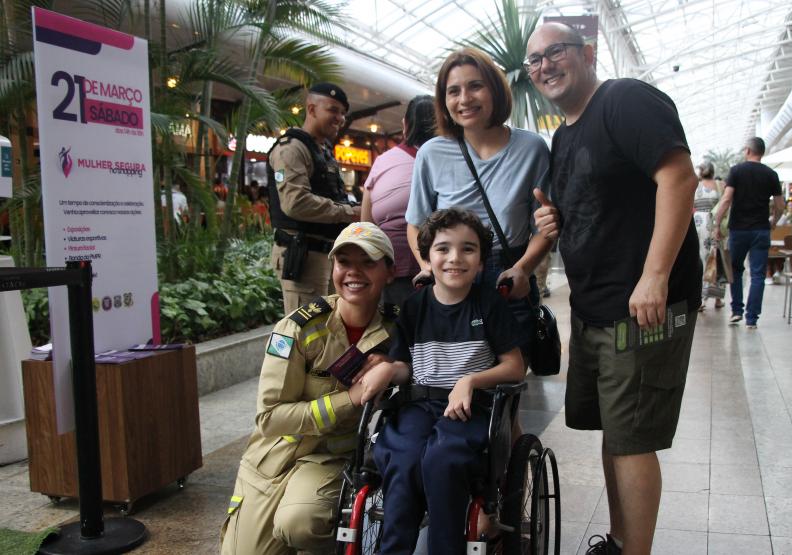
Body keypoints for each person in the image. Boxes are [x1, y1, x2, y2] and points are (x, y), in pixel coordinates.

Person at [527, 22, 701, 555]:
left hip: (642, 308)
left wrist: (655, 276)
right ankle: (620, 540)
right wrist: (554, 217)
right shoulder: (565, 133)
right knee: (614, 432)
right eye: (533, 61)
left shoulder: (625, 99)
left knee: (632, 441)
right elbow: (594, 201)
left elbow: (679, 178)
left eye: (554, 52)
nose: (543, 66)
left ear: (586, 52)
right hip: (594, 308)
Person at [220, 222, 398, 555]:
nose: (353, 272)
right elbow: (270, 417)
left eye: (368, 262)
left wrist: (396, 367)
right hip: (272, 459)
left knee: (300, 523)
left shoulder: (398, 328)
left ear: (390, 271)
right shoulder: (295, 328)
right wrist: (351, 398)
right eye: (344, 262)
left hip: (328, 458)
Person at [357, 208, 525, 553]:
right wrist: (389, 369)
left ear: (480, 262)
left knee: (443, 457)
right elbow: (405, 365)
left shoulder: (488, 305)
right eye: (443, 249)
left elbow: (514, 367)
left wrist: (471, 380)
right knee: (402, 457)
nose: (454, 258)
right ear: (428, 258)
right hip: (420, 403)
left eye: (468, 249)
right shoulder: (415, 306)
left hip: (471, 408)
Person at [405, 47, 551, 361]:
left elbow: (544, 228)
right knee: (453, 379)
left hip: (506, 276)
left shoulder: (532, 149)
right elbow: (415, 224)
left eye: (475, 86)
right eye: (453, 91)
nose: (464, 99)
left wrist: (523, 268)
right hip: (450, 276)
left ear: (495, 90)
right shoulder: (431, 153)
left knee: (508, 384)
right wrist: (429, 266)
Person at [267, 83, 360, 313]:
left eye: (342, 113)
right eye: (333, 110)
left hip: (326, 255)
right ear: (311, 109)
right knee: (305, 334)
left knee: (328, 331)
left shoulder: (322, 151)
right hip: (304, 258)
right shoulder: (291, 149)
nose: (340, 118)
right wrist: (350, 212)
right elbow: (295, 203)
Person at [361, 95, 436, 307]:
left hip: (392, 267)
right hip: (442, 267)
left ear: (405, 124)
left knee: (395, 333)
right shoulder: (450, 158)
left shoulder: (382, 162)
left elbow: (366, 223)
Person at [714, 137, 785, 328]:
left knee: (736, 270)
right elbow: (780, 205)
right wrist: (774, 221)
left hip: (738, 230)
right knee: (758, 274)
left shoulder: (736, 171)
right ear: (762, 152)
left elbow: (727, 199)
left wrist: (716, 224)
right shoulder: (771, 174)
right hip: (761, 229)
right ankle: (752, 318)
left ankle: (737, 310)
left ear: (747, 151)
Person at [693, 161, 724, 309]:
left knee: (700, 257)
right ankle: (717, 298)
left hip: (698, 223)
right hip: (714, 223)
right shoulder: (719, 185)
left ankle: (700, 297)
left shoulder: (695, 186)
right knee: (716, 258)